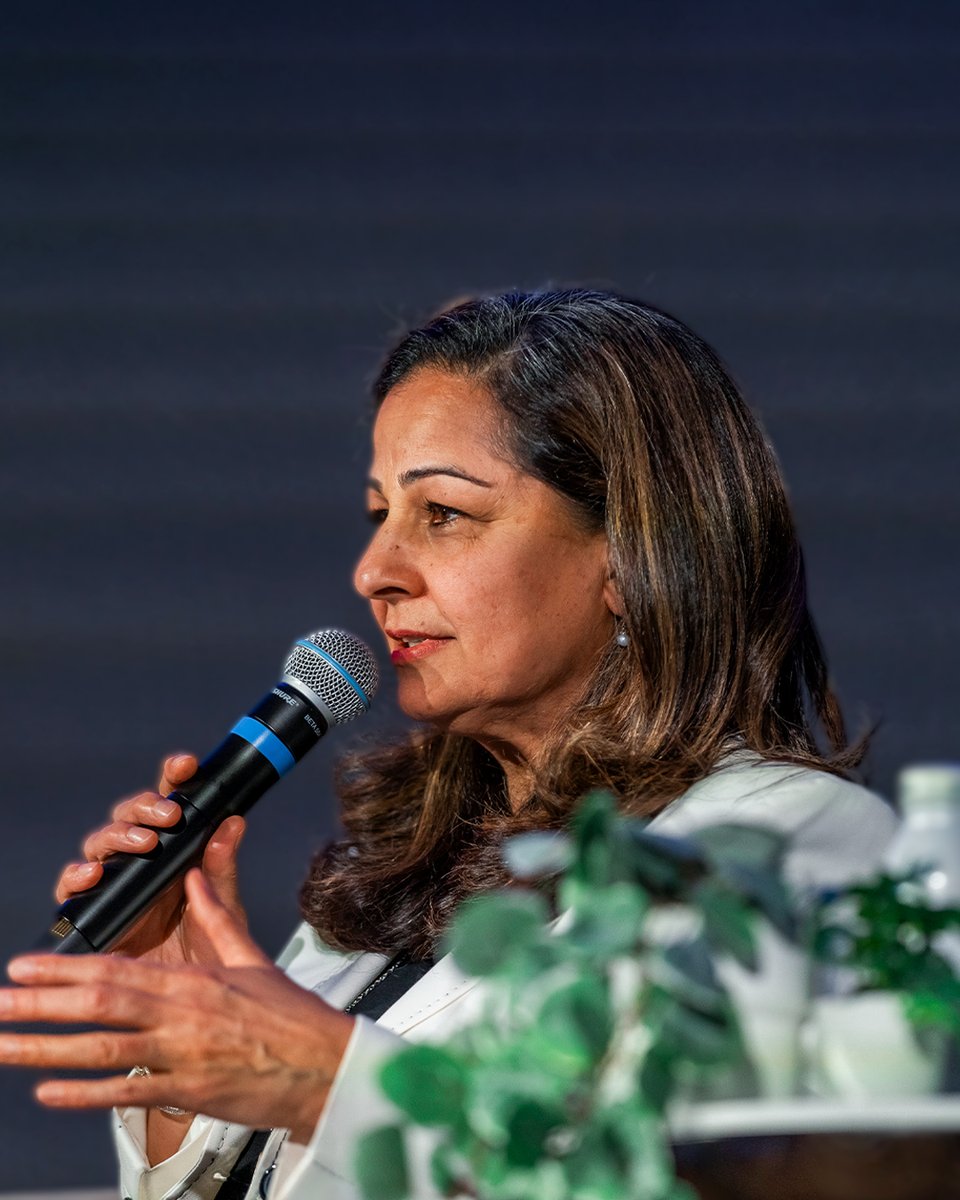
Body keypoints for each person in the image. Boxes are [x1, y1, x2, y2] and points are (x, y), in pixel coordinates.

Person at [0, 289, 897, 1199]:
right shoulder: (386, 886)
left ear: (630, 553)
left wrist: (324, 1078)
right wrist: (185, 1031)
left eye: (445, 514)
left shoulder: (791, 846)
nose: (373, 571)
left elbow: (663, 1179)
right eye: (378, 514)